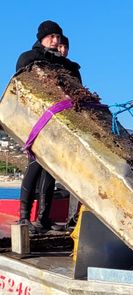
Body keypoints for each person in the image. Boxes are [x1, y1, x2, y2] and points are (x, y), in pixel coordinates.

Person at [16, 20, 82, 233]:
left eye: (58, 38)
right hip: (37, 122)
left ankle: (43, 219)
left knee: (51, 170)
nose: (55, 41)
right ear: (41, 37)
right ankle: (24, 217)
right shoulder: (29, 58)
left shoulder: (67, 66)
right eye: (51, 36)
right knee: (35, 167)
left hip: (59, 125)